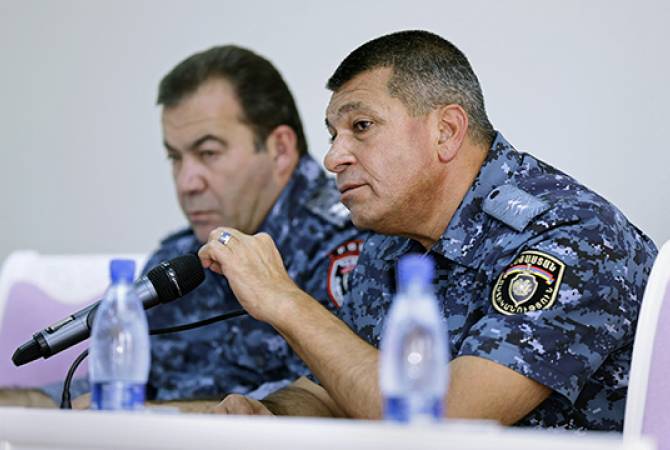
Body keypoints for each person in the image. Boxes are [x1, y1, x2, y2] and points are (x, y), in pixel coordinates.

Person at [197, 31, 657, 430]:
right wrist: (270, 414)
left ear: (446, 131)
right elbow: (332, 390)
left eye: (361, 126)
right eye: (333, 135)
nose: (334, 157)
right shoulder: (389, 245)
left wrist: (285, 301)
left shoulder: (571, 234)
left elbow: (445, 419)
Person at [0, 45, 365, 410]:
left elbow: (326, 402)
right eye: (175, 157)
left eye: (208, 153)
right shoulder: (177, 260)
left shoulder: (352, 239)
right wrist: (24, 404)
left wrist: (148, 416)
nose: (187, 182)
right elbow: (114, 385)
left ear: (280, 149)